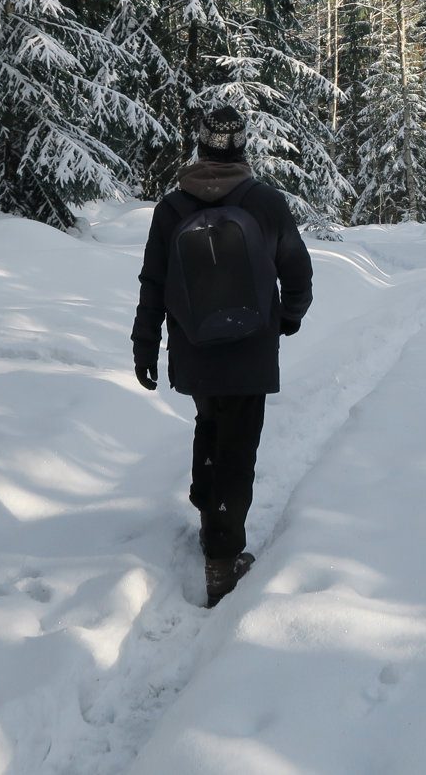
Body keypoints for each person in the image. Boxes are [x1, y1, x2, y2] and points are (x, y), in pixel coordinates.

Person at [133, 104, 313, 607]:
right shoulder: (264, 202)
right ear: (242, 147)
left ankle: (208, 508)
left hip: (193, 345)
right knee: (238, 445)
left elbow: (153, 282)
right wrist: (289, 317)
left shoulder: (171, 208)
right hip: (251, 346)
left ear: (200, 145)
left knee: (209, 423)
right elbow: (297, 271)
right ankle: (222, 556)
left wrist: (144, 344)